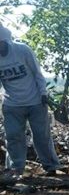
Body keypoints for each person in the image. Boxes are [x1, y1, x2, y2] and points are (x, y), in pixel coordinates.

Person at [0, 24, 64, 179]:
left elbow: (37, 73)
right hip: (11, 104)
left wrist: (43, 93)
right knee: (14, 136)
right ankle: (16, 169)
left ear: (5, 40)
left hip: (35, 101)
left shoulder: (22, 50)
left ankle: (51, 166)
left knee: (42, 136)